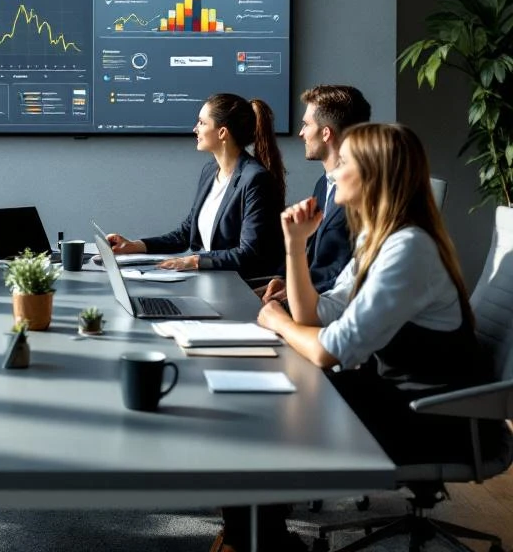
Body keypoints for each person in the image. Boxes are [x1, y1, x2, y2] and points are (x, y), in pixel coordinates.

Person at [222, 123, 504, 552]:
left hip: (438, 421)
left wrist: (277, 322)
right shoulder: (378, 239)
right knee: (263, 403)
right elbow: (315, 315)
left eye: (345, 162)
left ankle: (258, 542)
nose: (332, 172)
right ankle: (254, 539)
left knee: (266, 415)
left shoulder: (408, 249)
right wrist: (296, 246)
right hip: (399, 399)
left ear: (374, 175)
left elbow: (329, 350)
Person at [106, 93, 286, 281]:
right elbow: (186, 232)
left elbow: (248, 253)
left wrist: (193, 261)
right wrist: (135, 246)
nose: (195, 129)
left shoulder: (255, 179)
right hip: (207, 278)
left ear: (222, 132)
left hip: (237, 284)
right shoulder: (210, 171)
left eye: (202, 123)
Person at [260, 85, 371, 302]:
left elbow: (344, 273)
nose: (301, 133)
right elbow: (315, 256)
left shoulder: (361, 192)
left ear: (326, 133)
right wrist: (283, 278)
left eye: (306, 125)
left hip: (331, 302)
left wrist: (292, 293)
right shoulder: (324, 184)